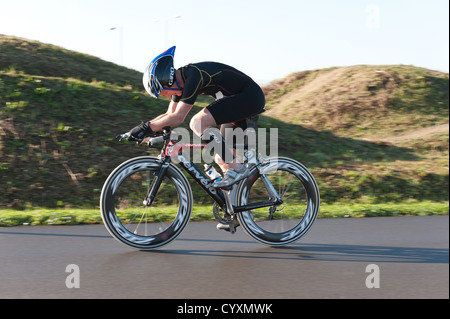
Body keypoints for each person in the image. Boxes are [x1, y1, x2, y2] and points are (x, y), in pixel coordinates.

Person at [127, 46, 265, 189]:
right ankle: (237, 208)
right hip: (237, 102)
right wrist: (141, 129)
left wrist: (145, 129)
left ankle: (238, 170)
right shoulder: (179, 82)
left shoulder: (194, 75)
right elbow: (169, 115)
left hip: (250, 97)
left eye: (163, 93)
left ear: (167, 81)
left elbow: (178, 117)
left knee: (198, 122)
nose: (166, 96)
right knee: (222, 159)